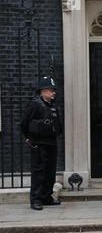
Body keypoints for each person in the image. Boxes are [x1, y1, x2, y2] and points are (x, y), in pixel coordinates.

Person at [21, 77, 63, 211]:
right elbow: (24, 122)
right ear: (43, 91)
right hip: (38, 142)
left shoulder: (53, 105)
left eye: (53, 91)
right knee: (39, 171)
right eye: (51, 90)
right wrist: (28, 137)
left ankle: (46, 197)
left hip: (51, 142)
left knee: (50, 171)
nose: (54, 93)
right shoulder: (35, 104)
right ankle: (36, 199)